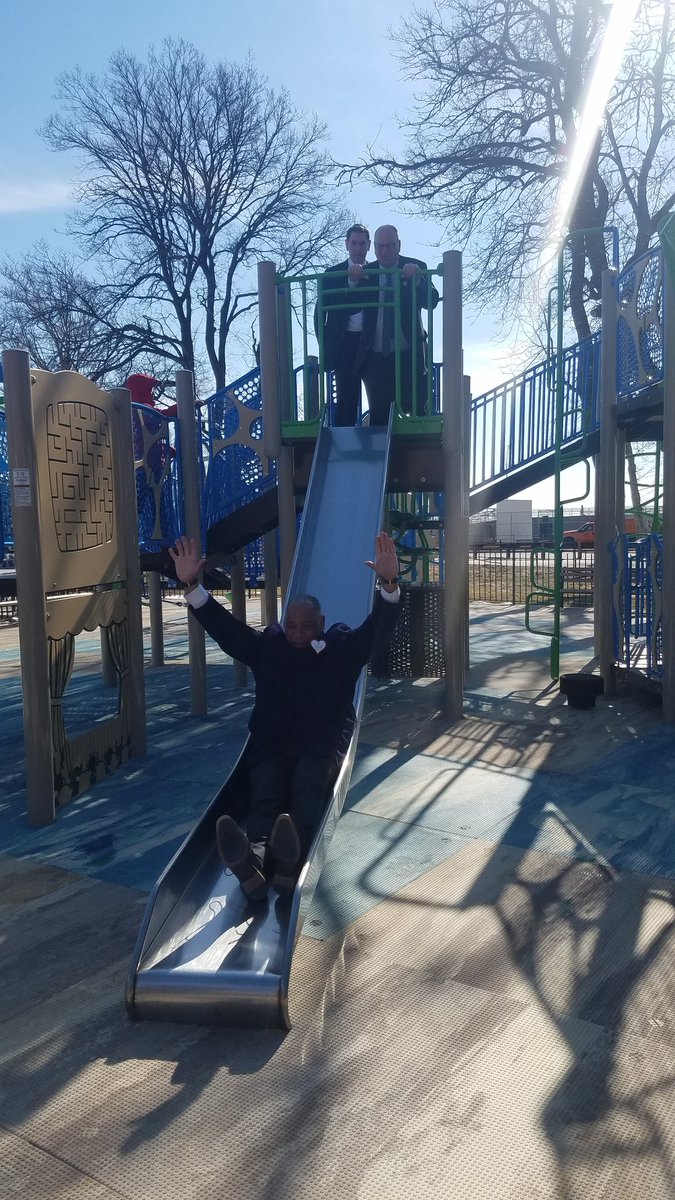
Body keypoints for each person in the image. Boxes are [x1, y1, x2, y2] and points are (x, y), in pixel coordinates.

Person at [168, 531, 402, 901]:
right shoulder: (269, 649)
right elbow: (228, 632)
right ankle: (255, 860)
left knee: (307, 788)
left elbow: (379, 631)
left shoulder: (342, 649)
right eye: (291, 626)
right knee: (266, 790)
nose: (297, 634)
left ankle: (291, 863)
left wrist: (389, 584)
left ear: (321, 623)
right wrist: (193, 586)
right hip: (272, 744)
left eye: (306, 626)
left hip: (320, 746)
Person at [361, 225, 439, 425]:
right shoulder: (366, 273)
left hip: (408, 352)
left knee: (416, 406)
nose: (384, 252)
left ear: (399, 246)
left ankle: (419, 449)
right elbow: (347, 304)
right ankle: (383, 453)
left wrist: (419, 279)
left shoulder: (414, 266)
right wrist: (352, 282)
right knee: (379, 415)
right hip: (375, 354)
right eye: (380, 247)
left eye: (389, 246)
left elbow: (432, 300)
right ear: (374, 249)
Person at [314, 224, 373, 427]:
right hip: (345, 343)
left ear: (369, 246)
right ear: (347, 244)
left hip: (372, 341)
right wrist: (327, 344)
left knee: (378, 395)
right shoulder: (332, 274)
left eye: (362, 244)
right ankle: (343, 440)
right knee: (346, 398)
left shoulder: (376, 272)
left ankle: (377, 439)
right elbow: (319, 314)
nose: (357, 248)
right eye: (354, 243)